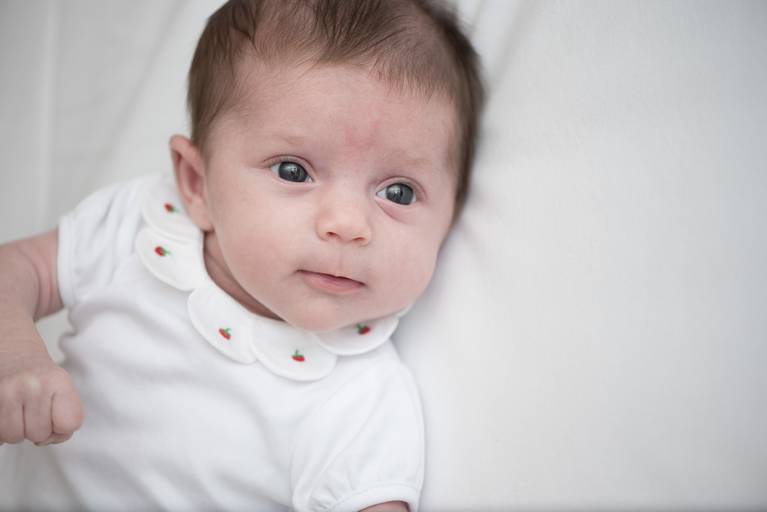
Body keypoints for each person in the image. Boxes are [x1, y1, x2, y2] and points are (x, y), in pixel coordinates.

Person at [0, 0, 483, 510]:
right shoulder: (139, 229)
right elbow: (16, 271)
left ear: (451, 217)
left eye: (399, 193)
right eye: (293, 171)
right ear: (197, 185)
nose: (347, 225)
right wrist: (15, 353)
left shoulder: (363, 401)